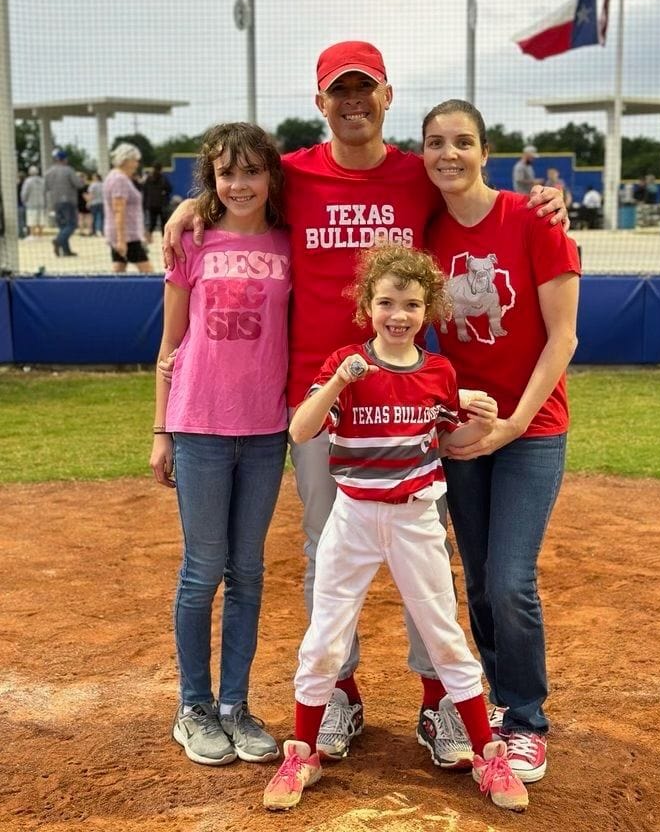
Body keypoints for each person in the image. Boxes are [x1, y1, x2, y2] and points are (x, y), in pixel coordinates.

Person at [163, 41, 568, 766]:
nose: (353, 102)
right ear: (320, 103)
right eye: (339, 91)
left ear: (387, 97)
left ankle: (438, 700)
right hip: (320, 395)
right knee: (326, 549)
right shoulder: (293, 175)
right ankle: (339, 693)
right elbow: (237, 188)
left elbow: (475, 193)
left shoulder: (418, 175)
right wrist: (193, 204)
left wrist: (548, 198)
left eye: (365, 89)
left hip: (410, 397)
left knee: (424, 550)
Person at [263, 244, 528, 814]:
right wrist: (338, 382)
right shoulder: (346, 362)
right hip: (354, 516)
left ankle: (487, 753)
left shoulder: (438, 371)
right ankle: (302, 751)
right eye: (386, 303)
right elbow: (301, 431)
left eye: (411, 305)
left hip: (414, 517)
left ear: (429, 310)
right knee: (325, 636)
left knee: (443, 634)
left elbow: (448, 442)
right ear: (367, 307)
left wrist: (478, 423)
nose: (398, 315)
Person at [423, 99, 581, 786]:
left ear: (486, 152)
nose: (449, 154)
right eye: (435, 143)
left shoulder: (533, 219)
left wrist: (514, 423)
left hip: (530, 429)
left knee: (512, 580)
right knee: (481, 581)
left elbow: (563, 338)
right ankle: (493, 701)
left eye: (463, 141)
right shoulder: (426, 232)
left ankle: (526, 720)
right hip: (464, 427)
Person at [149, 122, 291, 768]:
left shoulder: (288, 242)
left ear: (270, 176)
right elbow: (170, 345)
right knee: (203, 569)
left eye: (251, 171)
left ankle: (234, 704)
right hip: (200, 423)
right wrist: (161, 430)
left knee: (248, 572)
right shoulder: (192, 241)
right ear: (211, 178)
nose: (239, 184)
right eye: (226, 173)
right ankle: (194, 707)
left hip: (265, 429)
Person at [103, 143, 153, 273]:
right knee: (148, 272)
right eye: (135, 160)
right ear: (125, 160)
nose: (137, 164)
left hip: (123, 233)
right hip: (127, 235)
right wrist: (121, 239)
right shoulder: (119, 179)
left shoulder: (115, 177)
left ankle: (110, 287)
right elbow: (118, 209)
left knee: (119, 268)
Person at [45, 148, 85, 256]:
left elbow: (46, 187)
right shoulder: (68, 170)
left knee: (62, 226)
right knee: (72, 224)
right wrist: (82, 180)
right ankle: (58, 240)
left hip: (55, 201)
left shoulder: (48, 172)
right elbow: (78, 184)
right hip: (68, 200)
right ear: (64, 159)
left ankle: (66, 250)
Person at [144, 161, 173, 242]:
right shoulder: (163, 178)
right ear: (161, 169)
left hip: (151, 204)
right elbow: (169, 189)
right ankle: (164, 239)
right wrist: (164, 193)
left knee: (152, 222)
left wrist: (146, 202)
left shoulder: (149, 178)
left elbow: (145, 190)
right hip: (161, 204)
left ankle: (149, 237)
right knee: (164, 222)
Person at [20, 166, 47, 239]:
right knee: (41, 219)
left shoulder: (28, 181)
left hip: (31, 203)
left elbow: (24, 192)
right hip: (41, 203)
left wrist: (24, 200)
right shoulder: (42, 181)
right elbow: (45, 192)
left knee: (31, 220)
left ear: (29, 172)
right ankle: (40, 235)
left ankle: (32, 235)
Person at [86, 172, 104, 236]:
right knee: (102, 217)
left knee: (93, 217)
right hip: (102, 202)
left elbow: (91, 194)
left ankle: (94, 231)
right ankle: (102, 231)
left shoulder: (92, 185)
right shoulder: (103, 184)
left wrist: (88, 202)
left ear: (96, 178)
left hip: (94, 203)